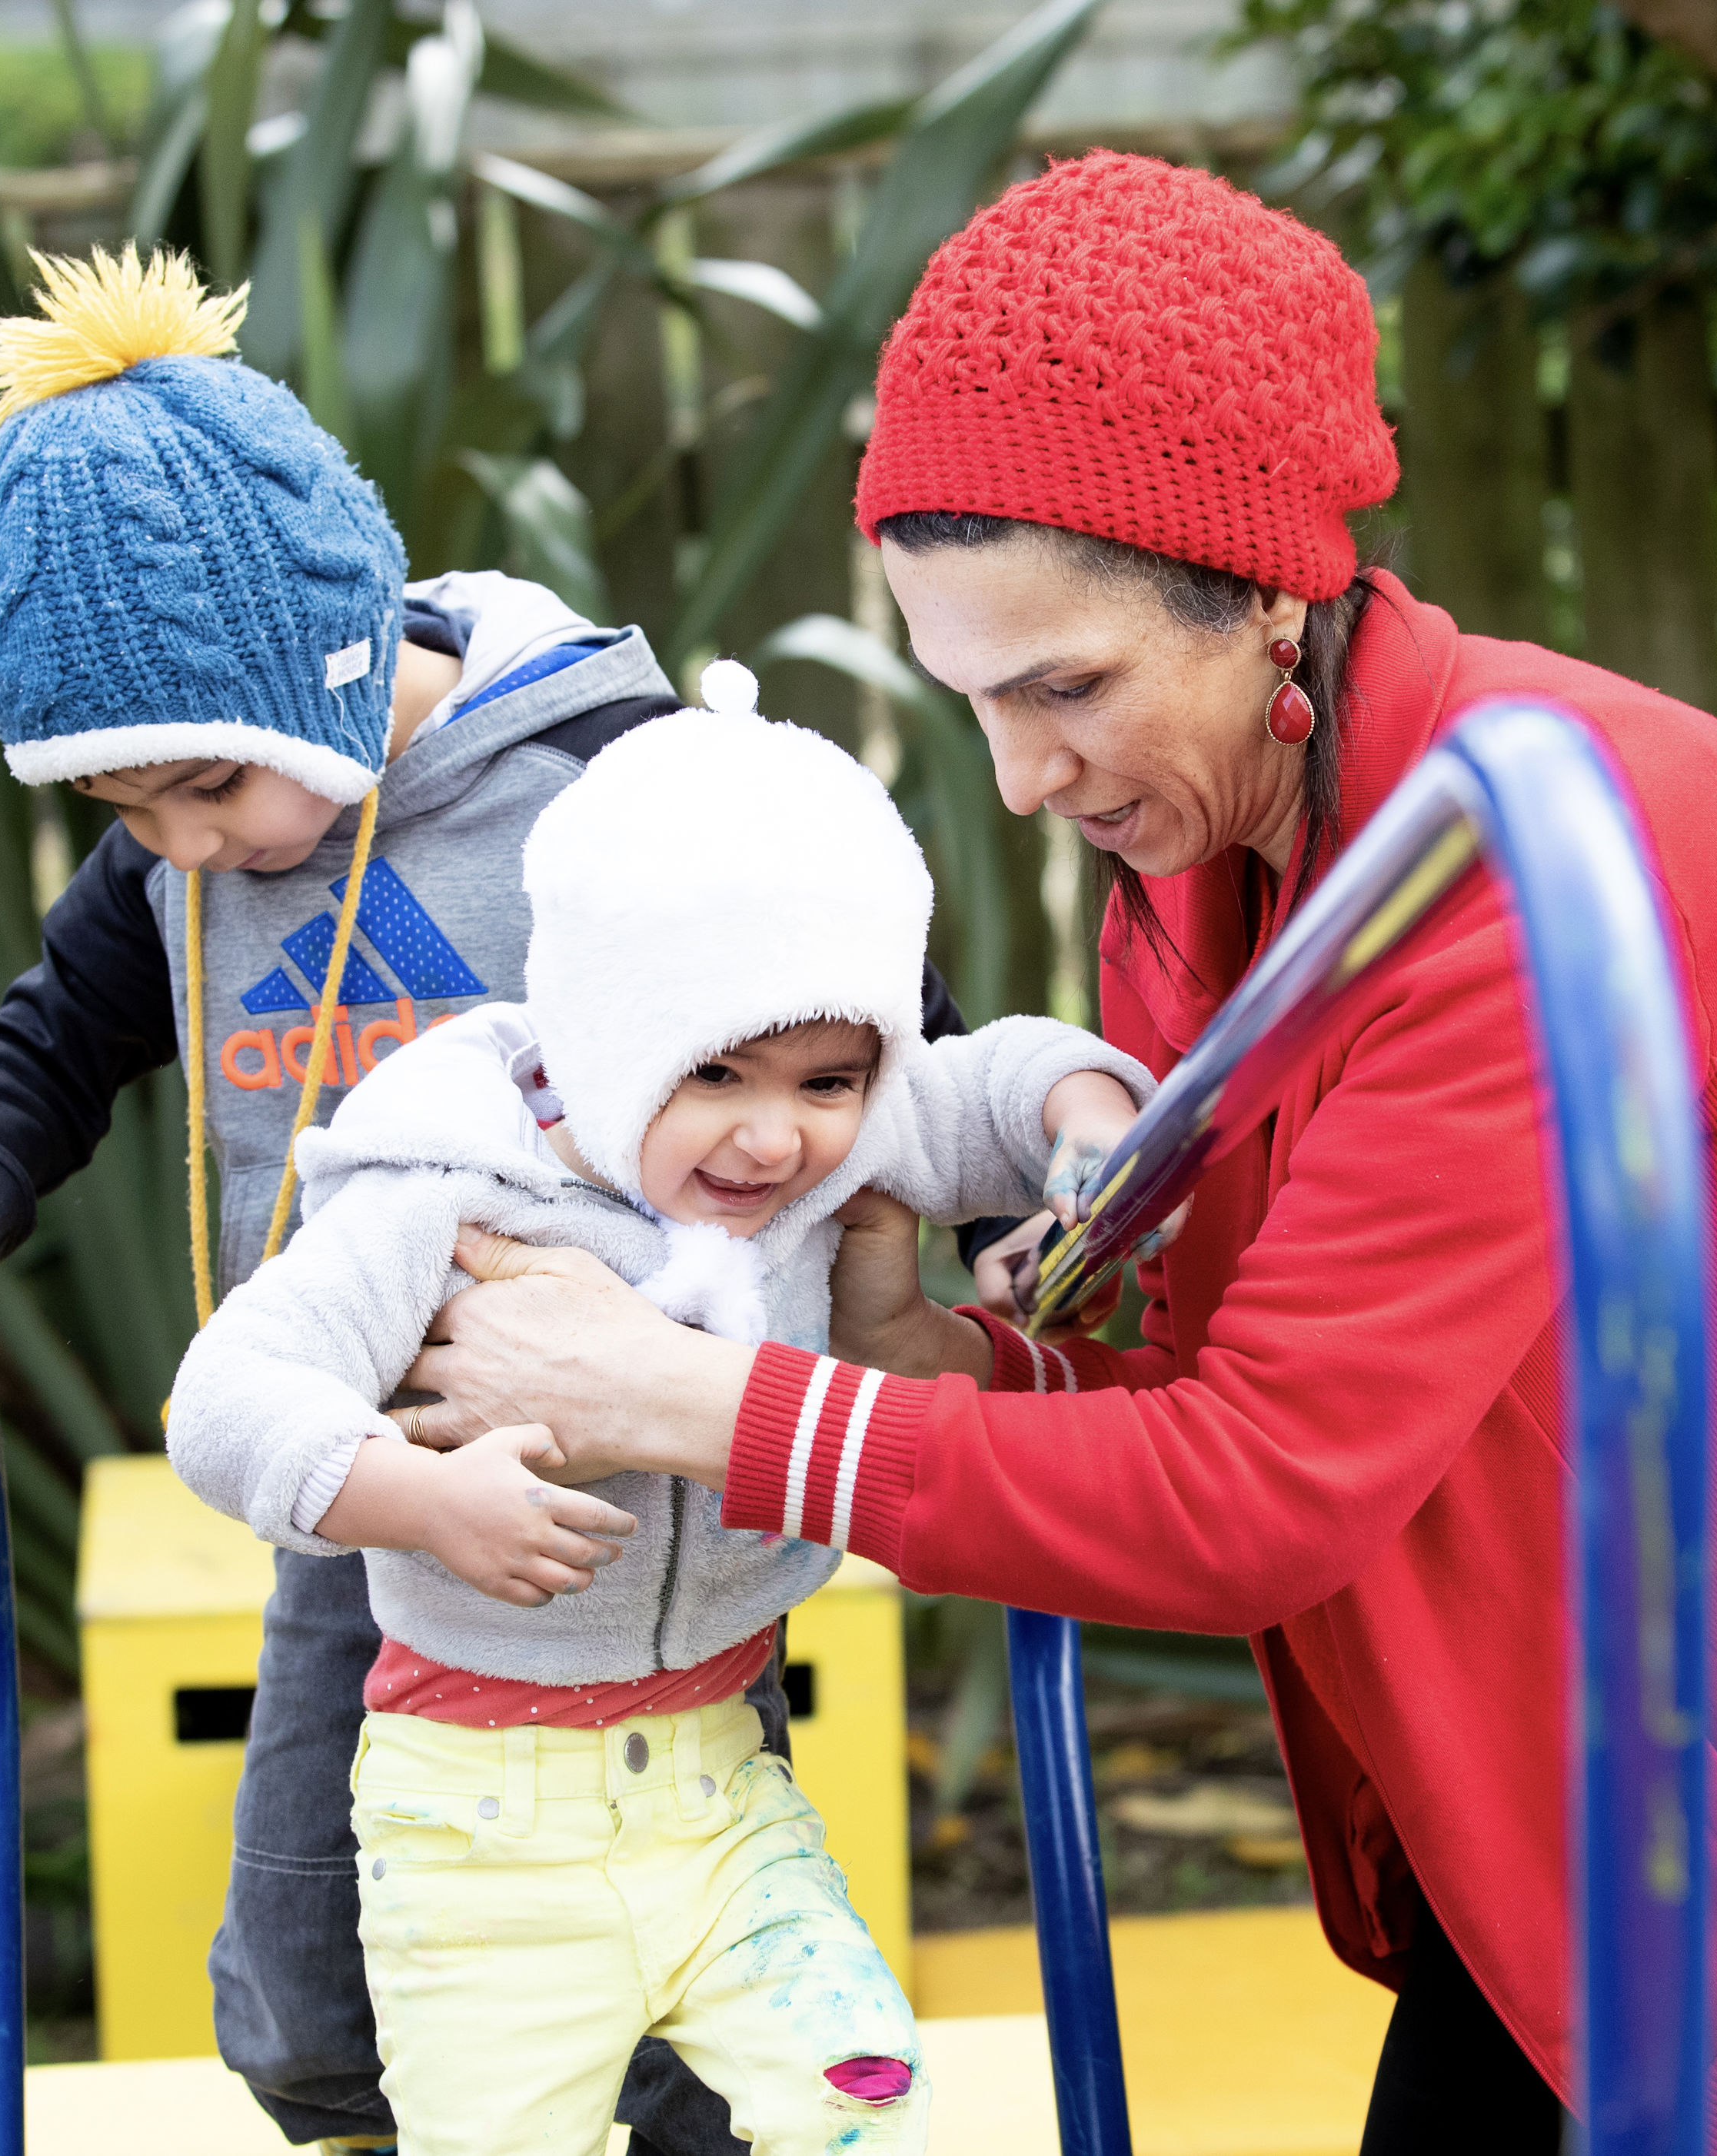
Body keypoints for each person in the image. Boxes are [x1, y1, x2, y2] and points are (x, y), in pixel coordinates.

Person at [389, 154, 1717, 2156]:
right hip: (1577, 1811)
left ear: (1262, 592)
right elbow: (1241, 1361)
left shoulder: (1539, 855)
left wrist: (698, 1404)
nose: (1018, 778)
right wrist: (939, 1365)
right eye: (968, 699)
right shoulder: (1196, 875)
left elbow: (1261, 1492)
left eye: (1062, 687)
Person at [0, 248, 989, 2153]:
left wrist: (985, 1209)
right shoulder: (184, 869)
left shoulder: (609, 777)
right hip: (370, 1471)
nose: (182, 850)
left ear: (334, 666)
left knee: (688, 1956)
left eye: (202, 788)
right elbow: (42, 1047)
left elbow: (867, 1005)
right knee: (302, 2002)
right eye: (129, 816)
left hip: (653, 1477)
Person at [168, 701, 1150, 2153]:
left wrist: (1082, 1115)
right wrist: (419, 1500)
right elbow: (228, 1400)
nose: (776, 1139)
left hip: (717, 1783)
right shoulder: (447, 1190)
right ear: (608, 1039)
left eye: (828, 1082)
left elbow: (989, 1081)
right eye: (718, 1080)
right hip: (479, 1825)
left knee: (858, 2098)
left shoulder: (834, 1131)